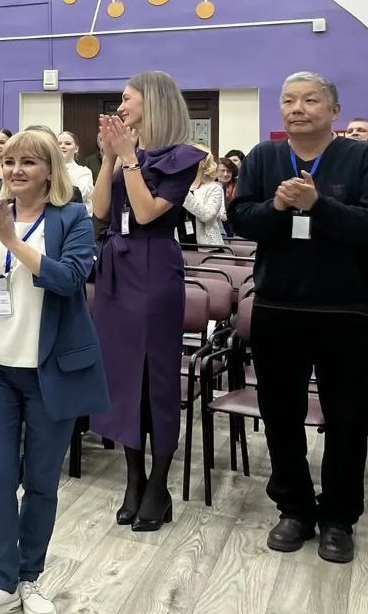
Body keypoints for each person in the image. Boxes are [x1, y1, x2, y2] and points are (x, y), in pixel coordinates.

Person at [229, 72, 368, 564]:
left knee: (347, 419)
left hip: (345, 309)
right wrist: (277, 207)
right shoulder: (263, 157)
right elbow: (242, 219)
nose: (297, 108)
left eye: (310, 100)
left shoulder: (366, 159)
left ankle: (339, 517)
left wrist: (319, 206)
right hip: (277, 306)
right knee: (280, 414)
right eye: (289, 100)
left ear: (334, 111)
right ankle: (294, 508)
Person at [0, 129, 108, 614]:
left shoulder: (72, 217)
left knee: (41, 481)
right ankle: (1, 582)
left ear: (49, 171)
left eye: (29, 162)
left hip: (49, 371)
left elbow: (71, 278)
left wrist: (12, 241)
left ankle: (29, 577)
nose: (16, 170)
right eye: (10, 161)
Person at [91, 71, 204, 533]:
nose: (120, 107)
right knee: (123, 377)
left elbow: (144, 213)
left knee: (156, 378)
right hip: (116, 269)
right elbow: (100, 211)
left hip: (154, 268)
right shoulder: (125, 153)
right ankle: (133, 478)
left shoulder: (182, 157)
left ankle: (159, 483)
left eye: (127, 98)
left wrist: (127, 159)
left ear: (153, 101)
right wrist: (108, 159)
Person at [182, 145, 226, 248]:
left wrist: (184, 192)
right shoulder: (178, 186)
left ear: (203, 162)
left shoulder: (214, 188)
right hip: (180, 246)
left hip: (208, 248)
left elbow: (207, 216)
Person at [57, 131, 96, 216]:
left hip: (78, 217)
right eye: (59, 144)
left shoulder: (84, 171)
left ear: (76, 149)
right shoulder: (50, 170)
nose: (62, 146)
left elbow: (82, 195)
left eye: (67, 143)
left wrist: (65, 169)